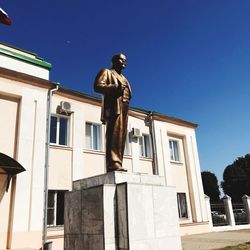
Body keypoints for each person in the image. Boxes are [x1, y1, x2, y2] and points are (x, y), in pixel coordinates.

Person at [94, 54, 132, 172]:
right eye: (121, 59)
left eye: (125, 60)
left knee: (121, 136)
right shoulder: (106, 72)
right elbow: (97, 86)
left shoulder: (124, 78)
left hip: (125, 107)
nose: (124, 61)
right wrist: (115, 87)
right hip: (114, 107)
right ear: (114, 61)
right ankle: (113, 163)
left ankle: (118, 162)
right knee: (113, 136)